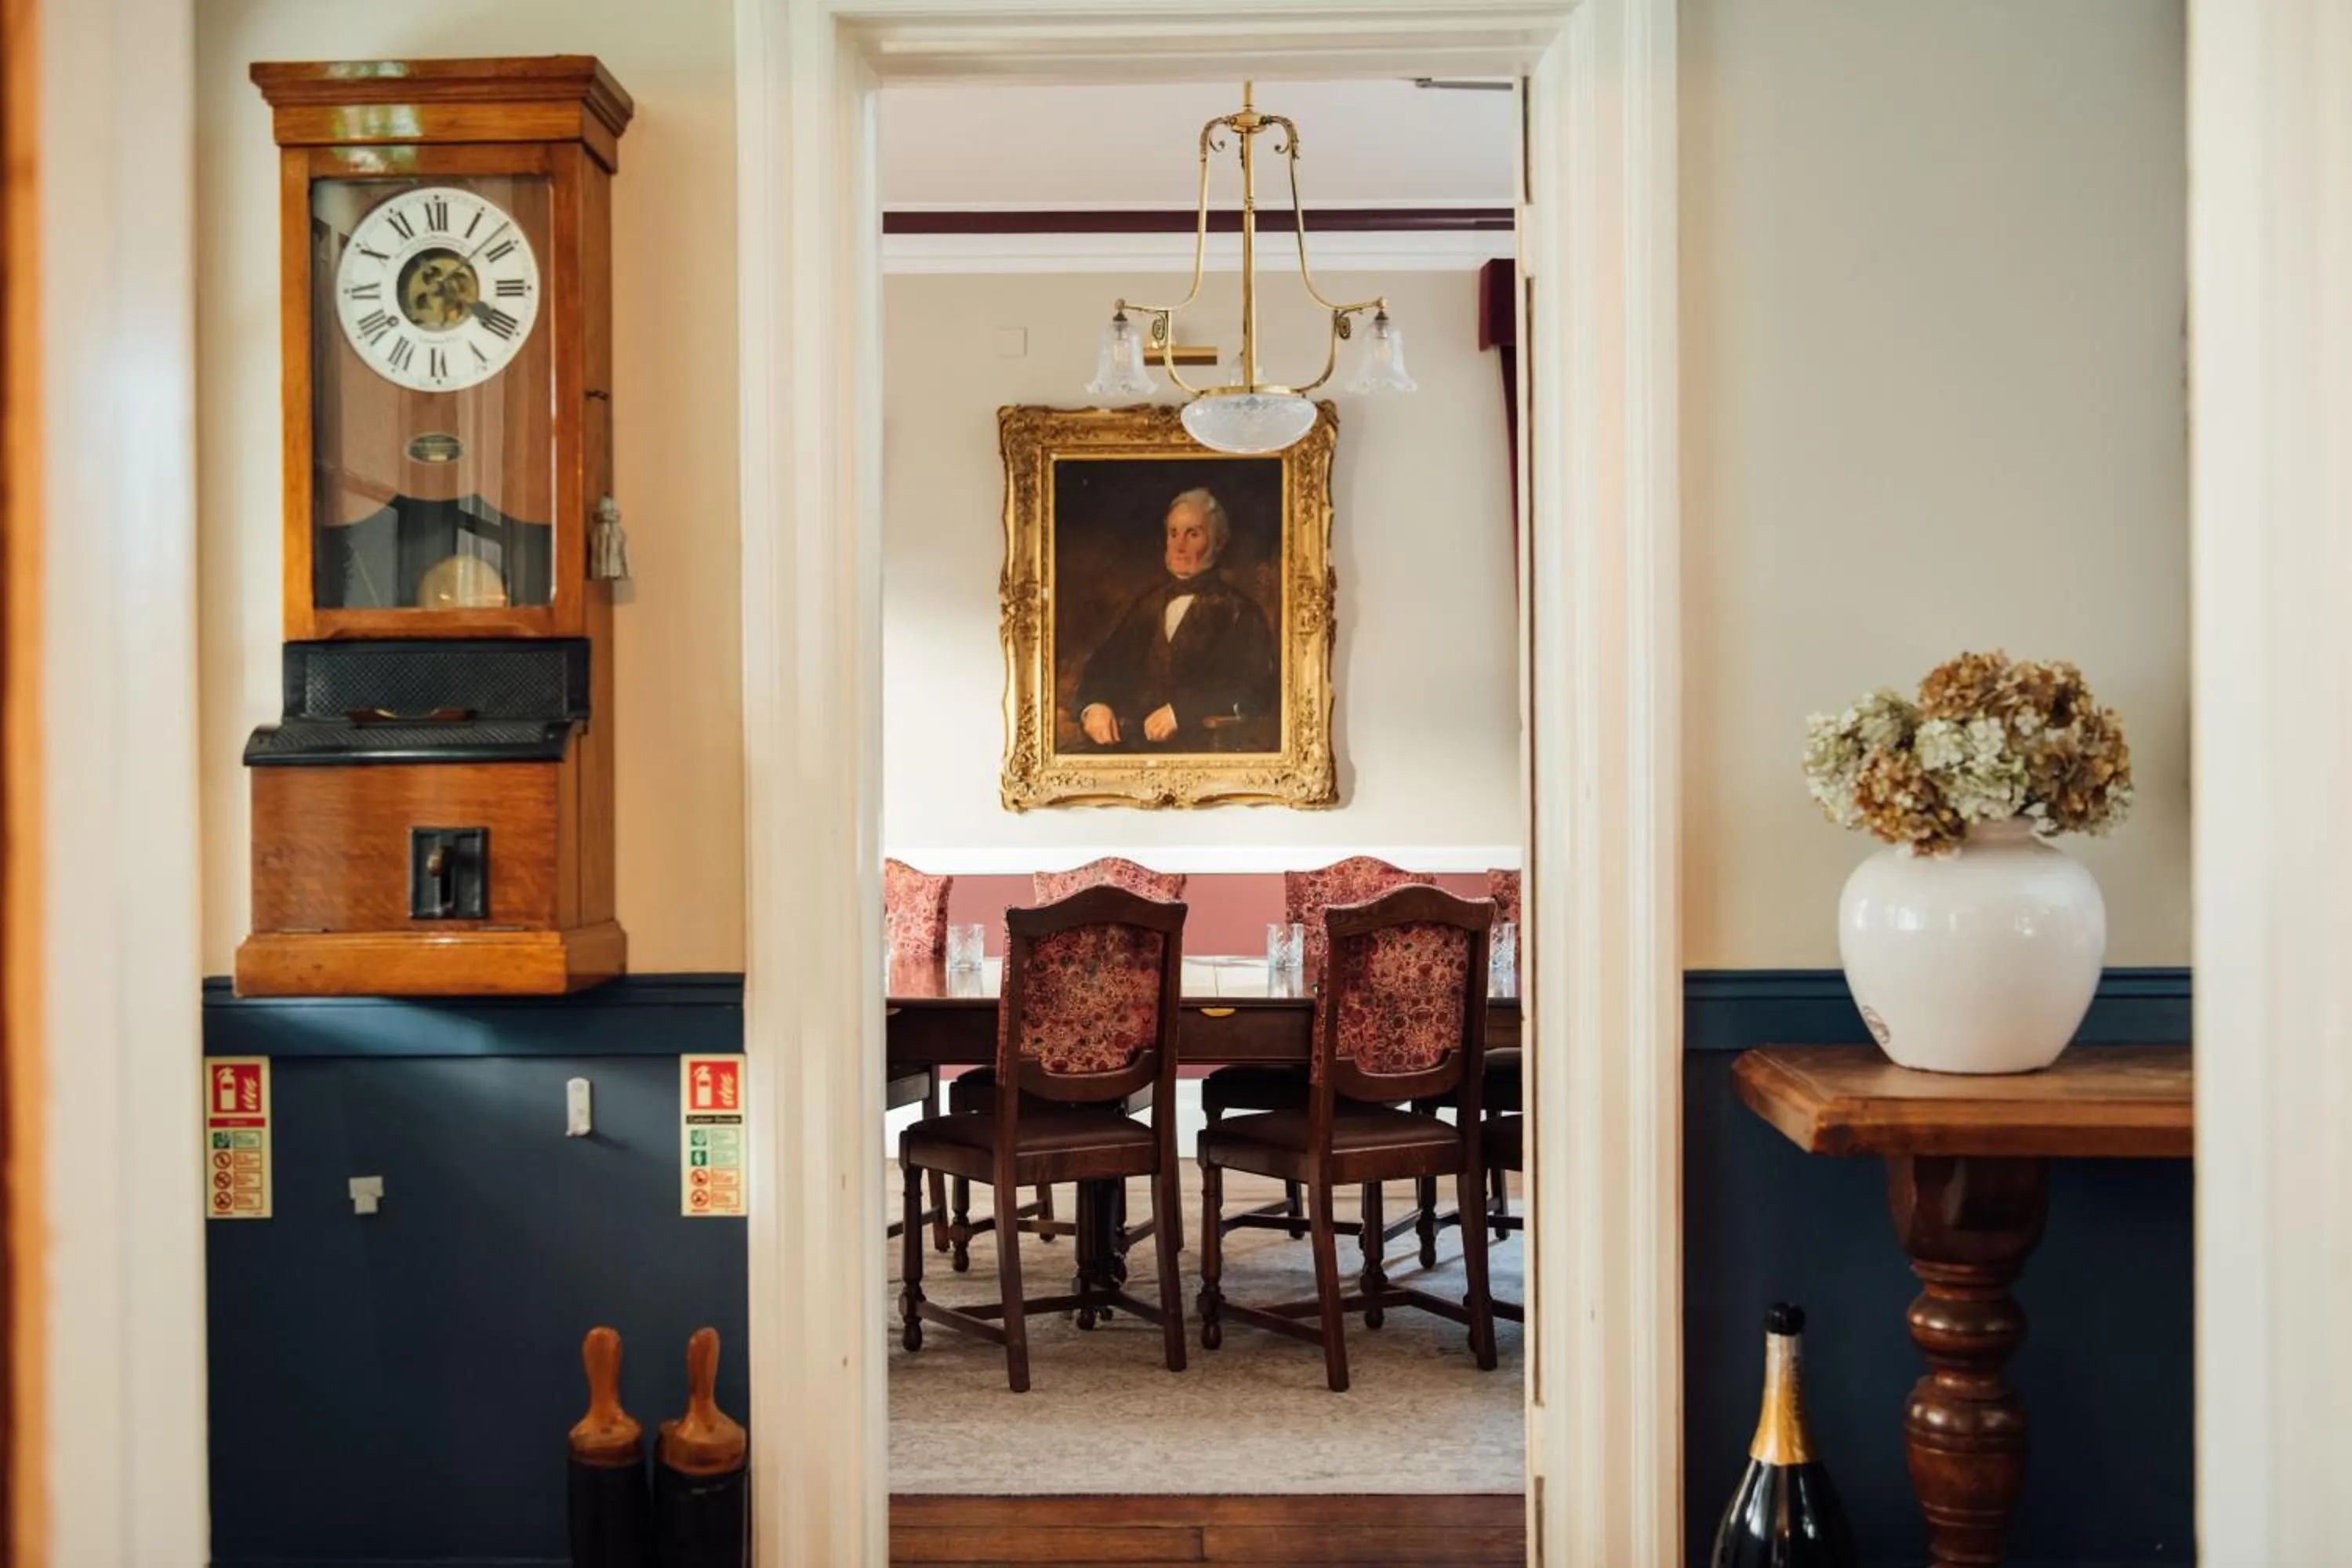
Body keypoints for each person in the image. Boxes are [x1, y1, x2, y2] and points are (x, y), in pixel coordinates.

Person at [1073, 487, 1278, 752]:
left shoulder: (1240, 611)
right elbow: (1103, 668)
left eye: (1193, 534)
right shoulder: (1148, 604)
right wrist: (1095, 706)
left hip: (1204, 753)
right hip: (1132, 750)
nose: (1180, 546)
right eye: (1173, 534)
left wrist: (1183, 712)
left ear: (1217, 542)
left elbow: (1255, 692)